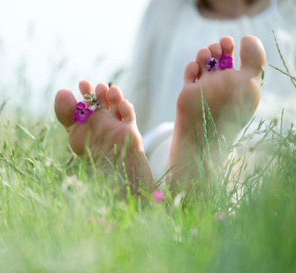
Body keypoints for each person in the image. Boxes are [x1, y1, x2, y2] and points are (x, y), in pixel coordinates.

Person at [54, 35, 265, 197]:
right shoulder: (165, 10)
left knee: (259, 159)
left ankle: (151, 194)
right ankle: (198, 180)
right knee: (260, 164)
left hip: (161, 141)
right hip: (170, 140)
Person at [127, 0, 296, 179]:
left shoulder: (289, 11)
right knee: (164, 145)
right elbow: (142, 93)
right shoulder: (167, 11)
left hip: (271, 144)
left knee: (265, 155)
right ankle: (196, 164)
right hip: (172, 140)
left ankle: (201, 174)